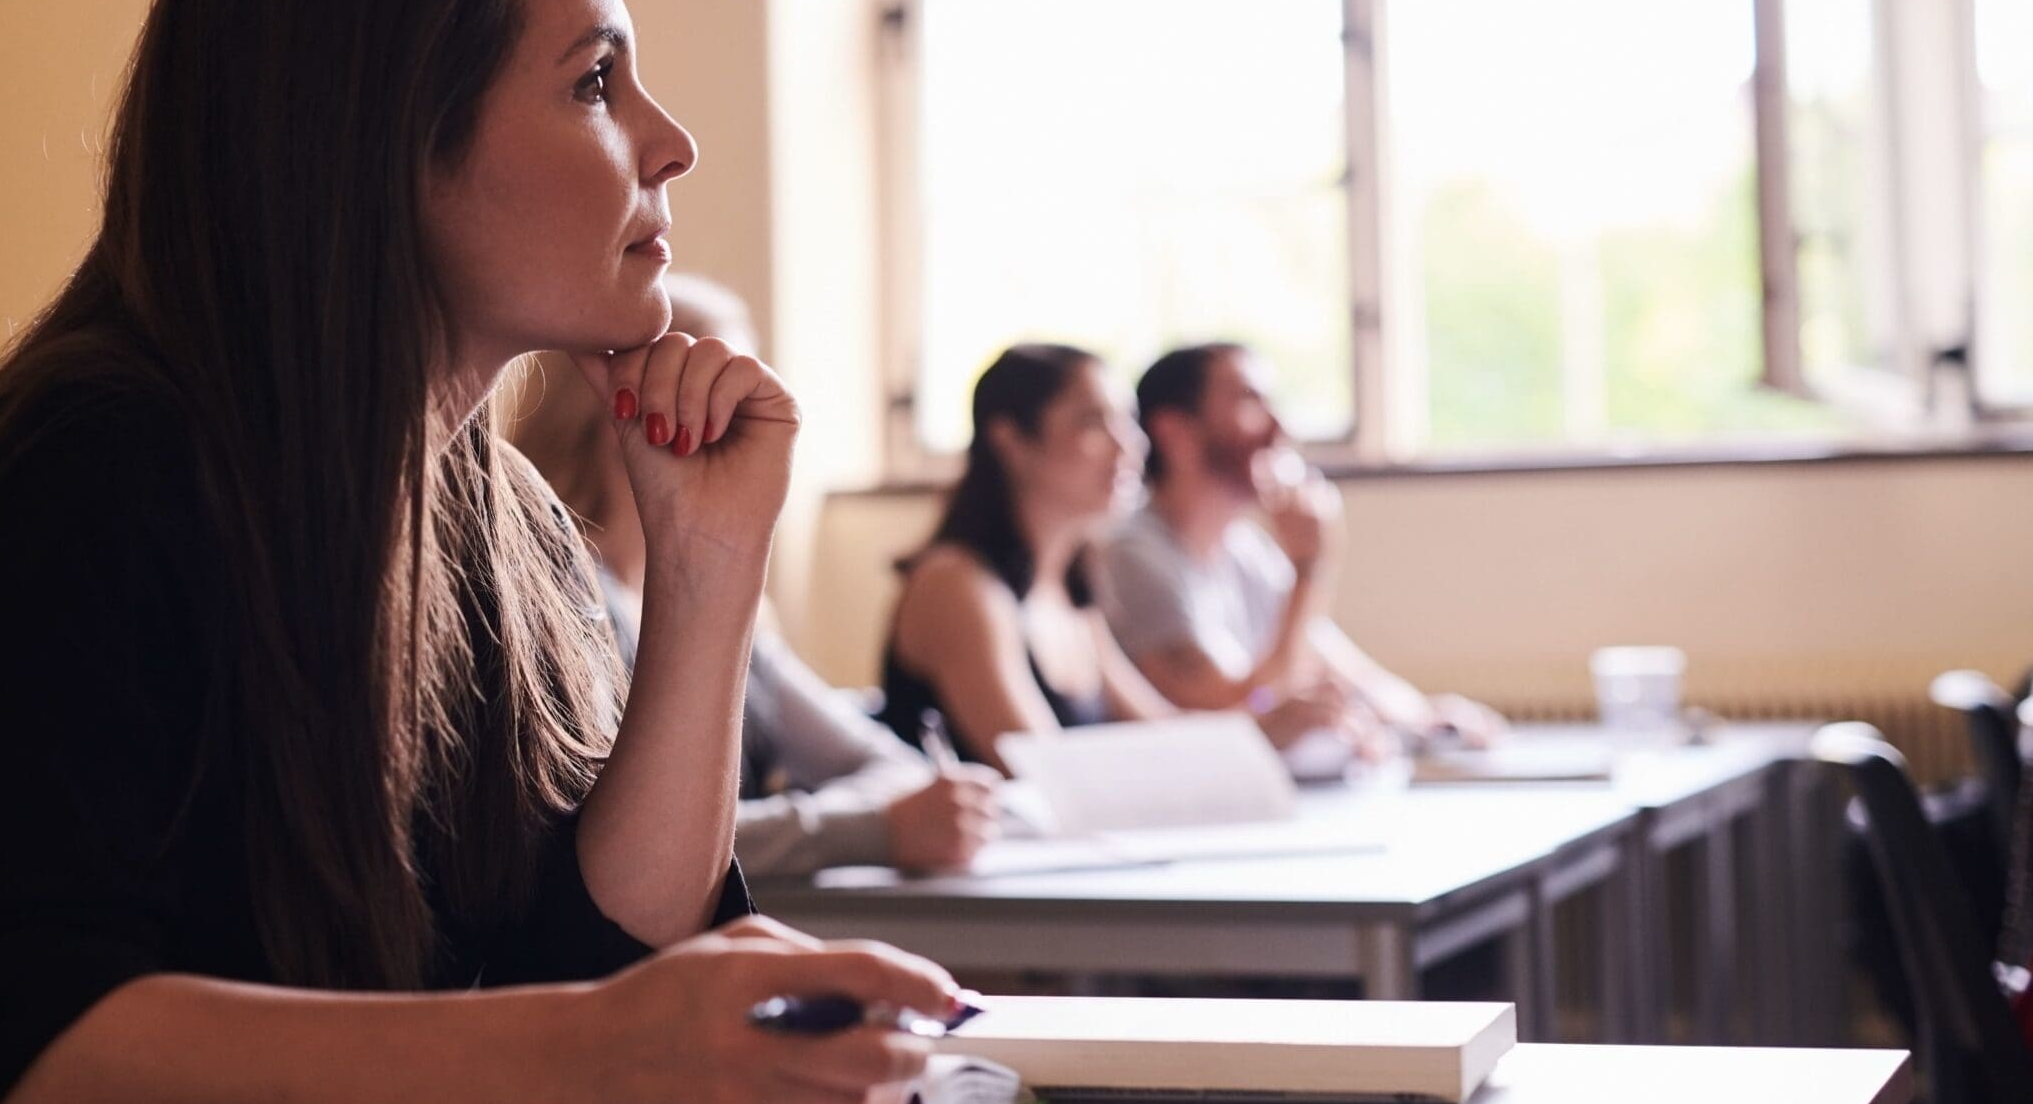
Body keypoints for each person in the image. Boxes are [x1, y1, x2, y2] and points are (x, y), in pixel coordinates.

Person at [0, 0, 957, 1104]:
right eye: (594, 83)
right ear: (378, 142)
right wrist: (575, 1059)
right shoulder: (82, 476)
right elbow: (7, 1044)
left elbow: (606, 952)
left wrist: (707, 566)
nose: (669, 144)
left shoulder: (487, 507)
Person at [512, 274, 1002, 877]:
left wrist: (802, 824)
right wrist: (861, 829)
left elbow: (891, 765)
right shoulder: (554, 597)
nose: (745, 417)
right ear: (615, 399)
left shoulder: (722, 597)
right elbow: (601, 846)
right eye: (711, 386)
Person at [1093, 342, 1505, 769]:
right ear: (1173, 431)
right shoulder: (1134, 556)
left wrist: (1423, 715)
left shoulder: (1243, 550)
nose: (1279, 429)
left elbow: (1328, 661)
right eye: (1249, 402)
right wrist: (1310, 567)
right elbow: (1239, 703)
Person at [876, 344, 1194, 773]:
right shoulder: (956, 584)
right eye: (1093, 421)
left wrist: (1267, 729)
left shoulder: (1068, 585)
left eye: (1128, 421)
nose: (1129, 446)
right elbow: (1049, 773)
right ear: (1011, 440)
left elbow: (1162, 733)